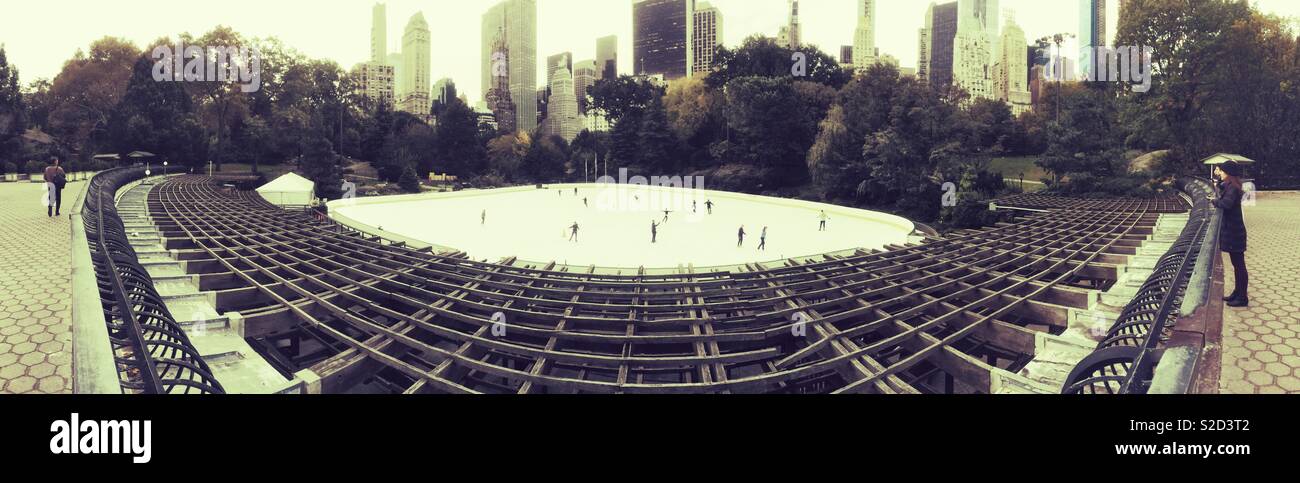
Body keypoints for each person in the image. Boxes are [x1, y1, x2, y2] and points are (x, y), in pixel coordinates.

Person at [1210, 161, 1250, 307]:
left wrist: (1214, 201)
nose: (1219, 172)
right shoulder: (1231, 185)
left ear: (1228, 172)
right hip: (1235, 231)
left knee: (1239, 265)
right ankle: (1237, 293)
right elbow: (1222, 190)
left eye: (1222, 171)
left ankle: (1242, 297)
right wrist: (1218, 184)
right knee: (1237, 264)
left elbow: (1226, 204)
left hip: (1235, 232)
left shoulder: (1232, 187)